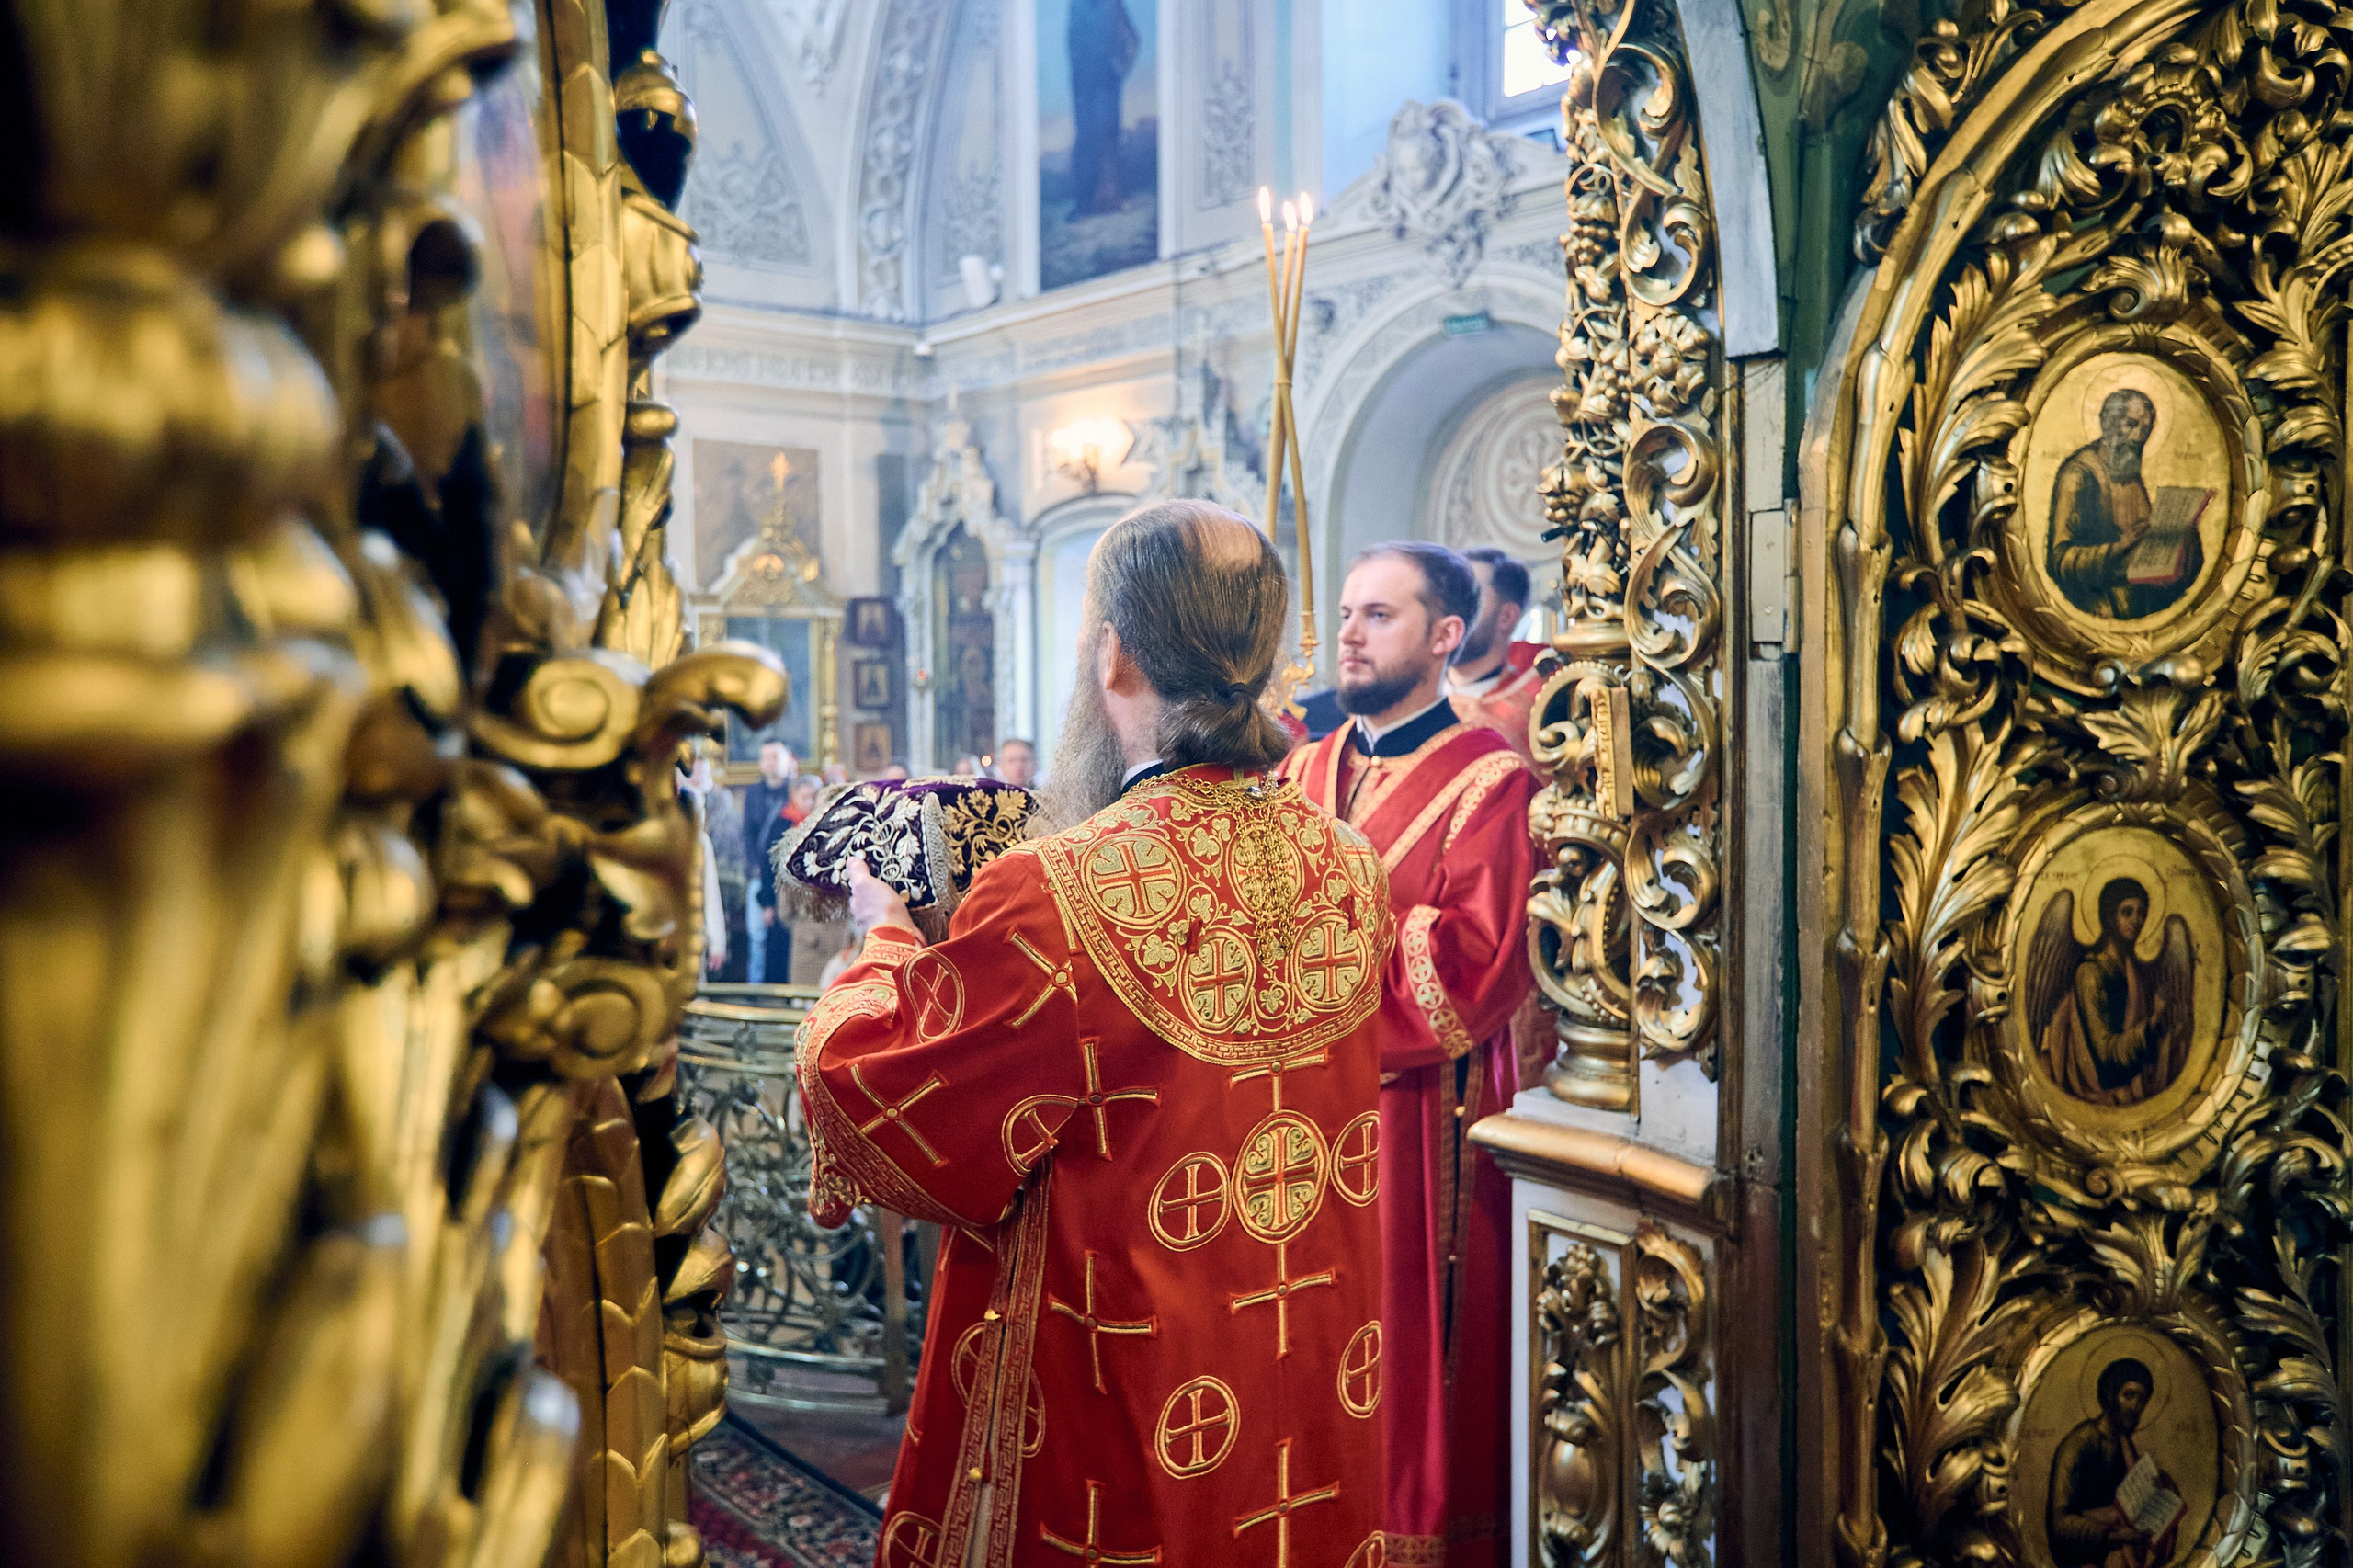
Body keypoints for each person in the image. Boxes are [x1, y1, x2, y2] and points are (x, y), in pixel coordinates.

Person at [798, 500, 1391, 1568]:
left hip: (1125, 1388)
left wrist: (884, 936)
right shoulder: (1348, 859)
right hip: (1304, 1368)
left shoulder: (1056, 889)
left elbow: (882, 1107)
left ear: (1112, 653)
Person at [1280, 540, 1537, 1568]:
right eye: (1345, 612)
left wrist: (1313, 951)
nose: (1349, 631)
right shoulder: (1300, 769)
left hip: (1414, 1127)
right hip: (1287, 1113)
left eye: (1378, 615)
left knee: (1399, 1353)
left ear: (1444, 636)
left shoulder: (1492, 783)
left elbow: (1472, 968)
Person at [2048, 388, 2202, 619]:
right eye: (2131, 424)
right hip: (2101, 610)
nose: (2138, 436)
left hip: (2142, 606)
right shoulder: (2079, 474)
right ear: (2108, 424)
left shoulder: (2127, 468)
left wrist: (2179, 539)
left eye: (2146, 429)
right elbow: (2060, 560)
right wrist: (2119, 547)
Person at [2050, 1357, 2181, 1568]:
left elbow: (2133, 1504)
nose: (2135, 1406)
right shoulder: (2078, 1445)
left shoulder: (2125, 1446)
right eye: (2128, 1396)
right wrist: (2113, 1536)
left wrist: (2163, 1492)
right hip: (2085, 1559)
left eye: (2141, 1400)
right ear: (2111, 1396)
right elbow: (2061, 1523)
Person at [1447, 546, 1544, 771]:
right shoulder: (1411, 691)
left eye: (1469, 597)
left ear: (1506, 617)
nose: (1450, 611)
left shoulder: (1541, 701)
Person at [740, 741, 797, 983]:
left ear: (787, 759)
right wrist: (754, 865)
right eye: (765, 757)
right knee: (757, 937)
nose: (770, 762)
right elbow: (748, 833)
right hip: (758, 874)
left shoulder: (794, 791)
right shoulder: (753, 794)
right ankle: (756, 993)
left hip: (787, 876)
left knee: (785, 934)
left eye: (775, 756)